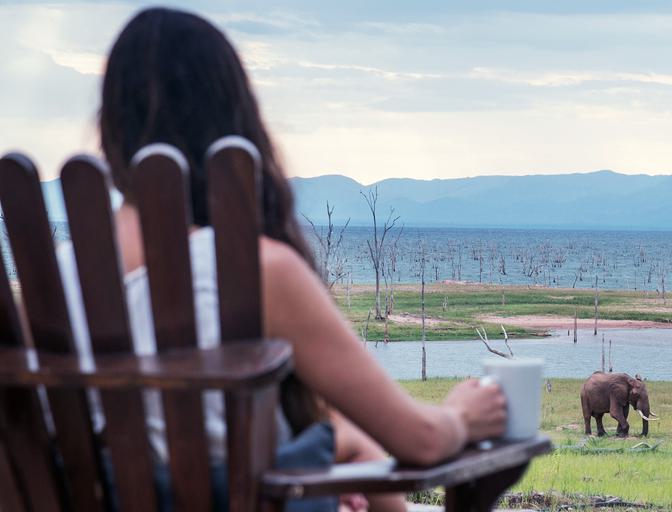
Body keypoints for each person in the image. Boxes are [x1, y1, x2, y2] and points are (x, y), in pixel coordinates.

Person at [60, 7, 507, 512]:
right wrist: (462, 416)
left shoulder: (50, 280)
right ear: (234, 117)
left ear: (109, 124)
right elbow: (421, 442)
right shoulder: (257, 271)